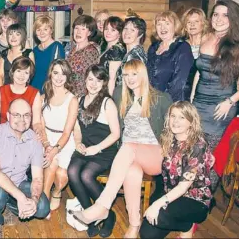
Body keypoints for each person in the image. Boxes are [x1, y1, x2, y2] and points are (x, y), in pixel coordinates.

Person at [72, 59, 172, 238]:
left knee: (128, 147)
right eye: (126, 75)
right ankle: (134, 225)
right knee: (132, 172)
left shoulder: (161, 98)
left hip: (154, 155)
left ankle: (102, 206)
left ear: (143, 74)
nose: (130, 78)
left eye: (134, 74)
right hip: (129, 158)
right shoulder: (120, 95)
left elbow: (173, 129)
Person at [0, 98, 50, 238]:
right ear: (8, 116)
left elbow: (38, 178)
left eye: (26, 115)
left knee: (42, 208)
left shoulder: (35, 140)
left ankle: (9, 204)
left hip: (18, 183)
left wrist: (33, 199)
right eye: (16, 115)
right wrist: (21, 198)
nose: (22, 119)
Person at [140, 101, 215, 239]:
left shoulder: (197, 145)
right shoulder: (169, 139)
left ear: (191, 122)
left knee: (159, 215)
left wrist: (157, 204)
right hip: (173, 195)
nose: (175, 121)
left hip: (195, 200)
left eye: (182, 117)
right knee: (146, 234)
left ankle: (187, 226)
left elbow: (182, 187)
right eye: (173, 116)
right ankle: (185, 223)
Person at [190, 0, 239, 151]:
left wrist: (230, 102)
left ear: (233, 19)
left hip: (221, 106)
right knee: (193, 151)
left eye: (225, 15)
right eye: (216, 14)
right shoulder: (205, 38)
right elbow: (200, 72)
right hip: (198, 103)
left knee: (210, 154)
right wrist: (192, 97)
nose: (219, 19)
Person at [68, 65, 120, 237]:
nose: (94, 84)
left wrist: (96, 148)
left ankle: (107, 213)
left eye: (98, 80)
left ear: (104, 82)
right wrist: (77, 143)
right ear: (85, 80)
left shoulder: (107, 102)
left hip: (104, 149)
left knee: (86, 175)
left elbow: (116, 134)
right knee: (73, 171)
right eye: (90, 79)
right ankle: (90, 213)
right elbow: (76, 129)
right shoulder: (80, 100)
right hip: (85, 147)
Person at [38, 60, 78, 216]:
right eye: (56, 72)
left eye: (63, 73)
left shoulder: (72, 100)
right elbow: (40, 126)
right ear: (50, 74)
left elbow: (68, 132)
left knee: (61, 176)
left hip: (65, 141)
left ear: (68, 76)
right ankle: (44, 199)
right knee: (52, 161)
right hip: (46, 138)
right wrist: (47, 144)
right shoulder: (42, 98)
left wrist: (55, 149)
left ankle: (57, 191)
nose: (59, 77)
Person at [147, 11, 194, 102]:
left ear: (175, 26)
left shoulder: (182, 47)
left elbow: (179, 83)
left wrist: (164, 103)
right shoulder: (153, 48)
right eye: (159, 24)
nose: (162, 27)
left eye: (167, 23)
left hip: (173, 103)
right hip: (152, 101)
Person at [0, 57, 42, 128]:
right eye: (19, 71)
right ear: (12, 72)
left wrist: (39, 132)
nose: (22, 75)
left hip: (25, 134)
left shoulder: (35, 93)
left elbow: (36, 122)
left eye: (26, 72)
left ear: (29, 76)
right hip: (3, 134)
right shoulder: (1, 91)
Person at [66, 15, 100, 97]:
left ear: (89, 33)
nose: (78, 32)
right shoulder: (72, 49)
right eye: (76, 28)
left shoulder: (90, 51)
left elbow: (90, 77)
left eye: (83, 29)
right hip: (68, 94)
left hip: (81, 96)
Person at [31, 15, 65, 93]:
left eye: (45, 29)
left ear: (51, 30)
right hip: (34, 91)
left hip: (49, 92)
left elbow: (58, 75)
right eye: (38, 30)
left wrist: (48, 94)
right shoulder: (35, 50)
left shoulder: (57, 47)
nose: (42, 33)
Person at [181, 8, 208, 100]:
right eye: (189, 22)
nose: (192, 25)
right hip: (183, 92)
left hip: (203, 92)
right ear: (185, 26)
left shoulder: (209, 45)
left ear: (203, 24)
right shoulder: (180, 45)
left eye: (196, 21)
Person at [115, 15, 147, 88]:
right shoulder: (130, 53)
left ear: (140, 35)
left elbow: (134, 85)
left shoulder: (135, 56)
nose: (127, 33)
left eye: (132, 30)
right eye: (125, 28)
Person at [99, 16, 126, 95]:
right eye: (106, 29)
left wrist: (109, 99)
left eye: (113, 30)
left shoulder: (116, 50)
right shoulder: (107, 47)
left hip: (110, 92)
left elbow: (112, 79)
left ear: (120, 33)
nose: (108, 32)